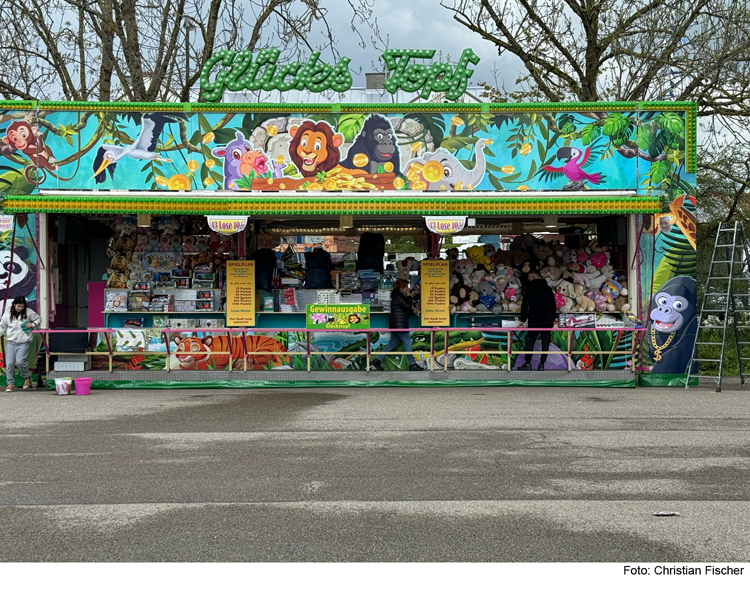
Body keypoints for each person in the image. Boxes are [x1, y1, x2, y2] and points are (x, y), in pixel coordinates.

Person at [371, 278, 423, 371]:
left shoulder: (397, 295)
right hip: (400, 324)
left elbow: (403, 309)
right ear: (401, 287)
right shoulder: (398, 296)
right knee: (407, 342)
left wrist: (412, 311)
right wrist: (409, 296)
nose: (407, 288)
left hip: (396, 323)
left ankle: (377, 360)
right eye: (406, 287)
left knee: (392, 343)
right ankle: (412, 364)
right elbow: (407, 306)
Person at [0, 296, 42, 391]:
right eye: (19, 306)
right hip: (11, 342)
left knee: (20, 361)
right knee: (10, 363)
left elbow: (38, 319)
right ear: (14, 304)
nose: (20, 308)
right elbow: (2, 326)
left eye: (22, 306)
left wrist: (32, 324)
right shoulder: (7, 313)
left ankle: (27, 377)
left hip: (23, 342)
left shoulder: (28, 312)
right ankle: (10, 383)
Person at [518, 270, 557, 371]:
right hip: (547, 319)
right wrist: (553, 318)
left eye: (529, 277)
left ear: (534, 277)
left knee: (530, 341)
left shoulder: (530, 288)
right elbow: (553, 305)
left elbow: (525, 305)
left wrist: (523, 319)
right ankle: (542, 364)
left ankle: (527, 363)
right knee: (545, 342)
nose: (528, 279)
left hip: (534, 319)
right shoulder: (548, 289)